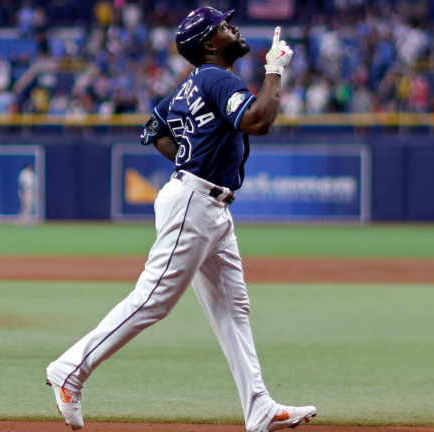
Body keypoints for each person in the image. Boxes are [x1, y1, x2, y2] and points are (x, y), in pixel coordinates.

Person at [45, 8, 316, 432]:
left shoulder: (192, 85)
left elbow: (153, 129)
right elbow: (259, 120)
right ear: (209, 45)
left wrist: (189, 161)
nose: (234, 28)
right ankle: (70, 369)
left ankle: (259, 406)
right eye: (224, 27)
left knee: (232, 310)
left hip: (207, 203)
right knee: (154, 299)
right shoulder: (215, 76)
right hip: (195, 202)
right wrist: (274, 68)